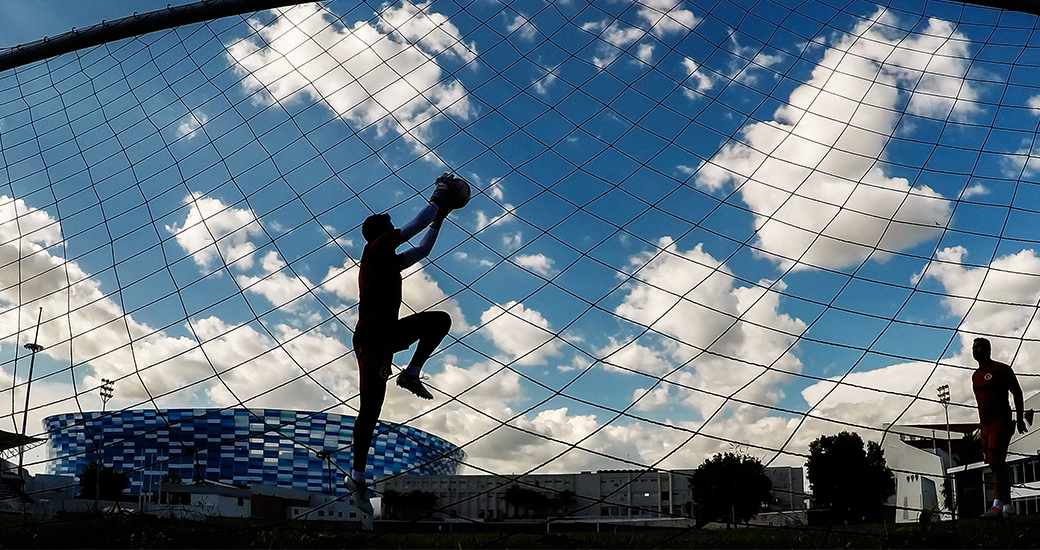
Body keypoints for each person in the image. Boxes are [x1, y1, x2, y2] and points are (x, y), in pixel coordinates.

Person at [345, 173, 470, 515]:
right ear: (380, 234)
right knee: (371, 409)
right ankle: (356, 479)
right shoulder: (374, 250)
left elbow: (425, 247)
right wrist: (440, 194)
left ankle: (411, 372)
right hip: (373, 339)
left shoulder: (390, 261)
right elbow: (418, 222)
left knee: (439, 320)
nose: (393, 227)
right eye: (388, 225)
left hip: (391, 331)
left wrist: (441, 216)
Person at [971, 337, 1027, 519]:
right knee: (996, 466)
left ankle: (997, 505)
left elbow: (1017, 392)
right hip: (985, 426)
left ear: (988, 350)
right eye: (974, 347)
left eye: (979, 347)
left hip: (1000, 422)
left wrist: (1019, 418)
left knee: (996, 461)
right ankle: (1007, 507)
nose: (975, 350)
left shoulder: (1001, 369)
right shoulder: (975, 375)